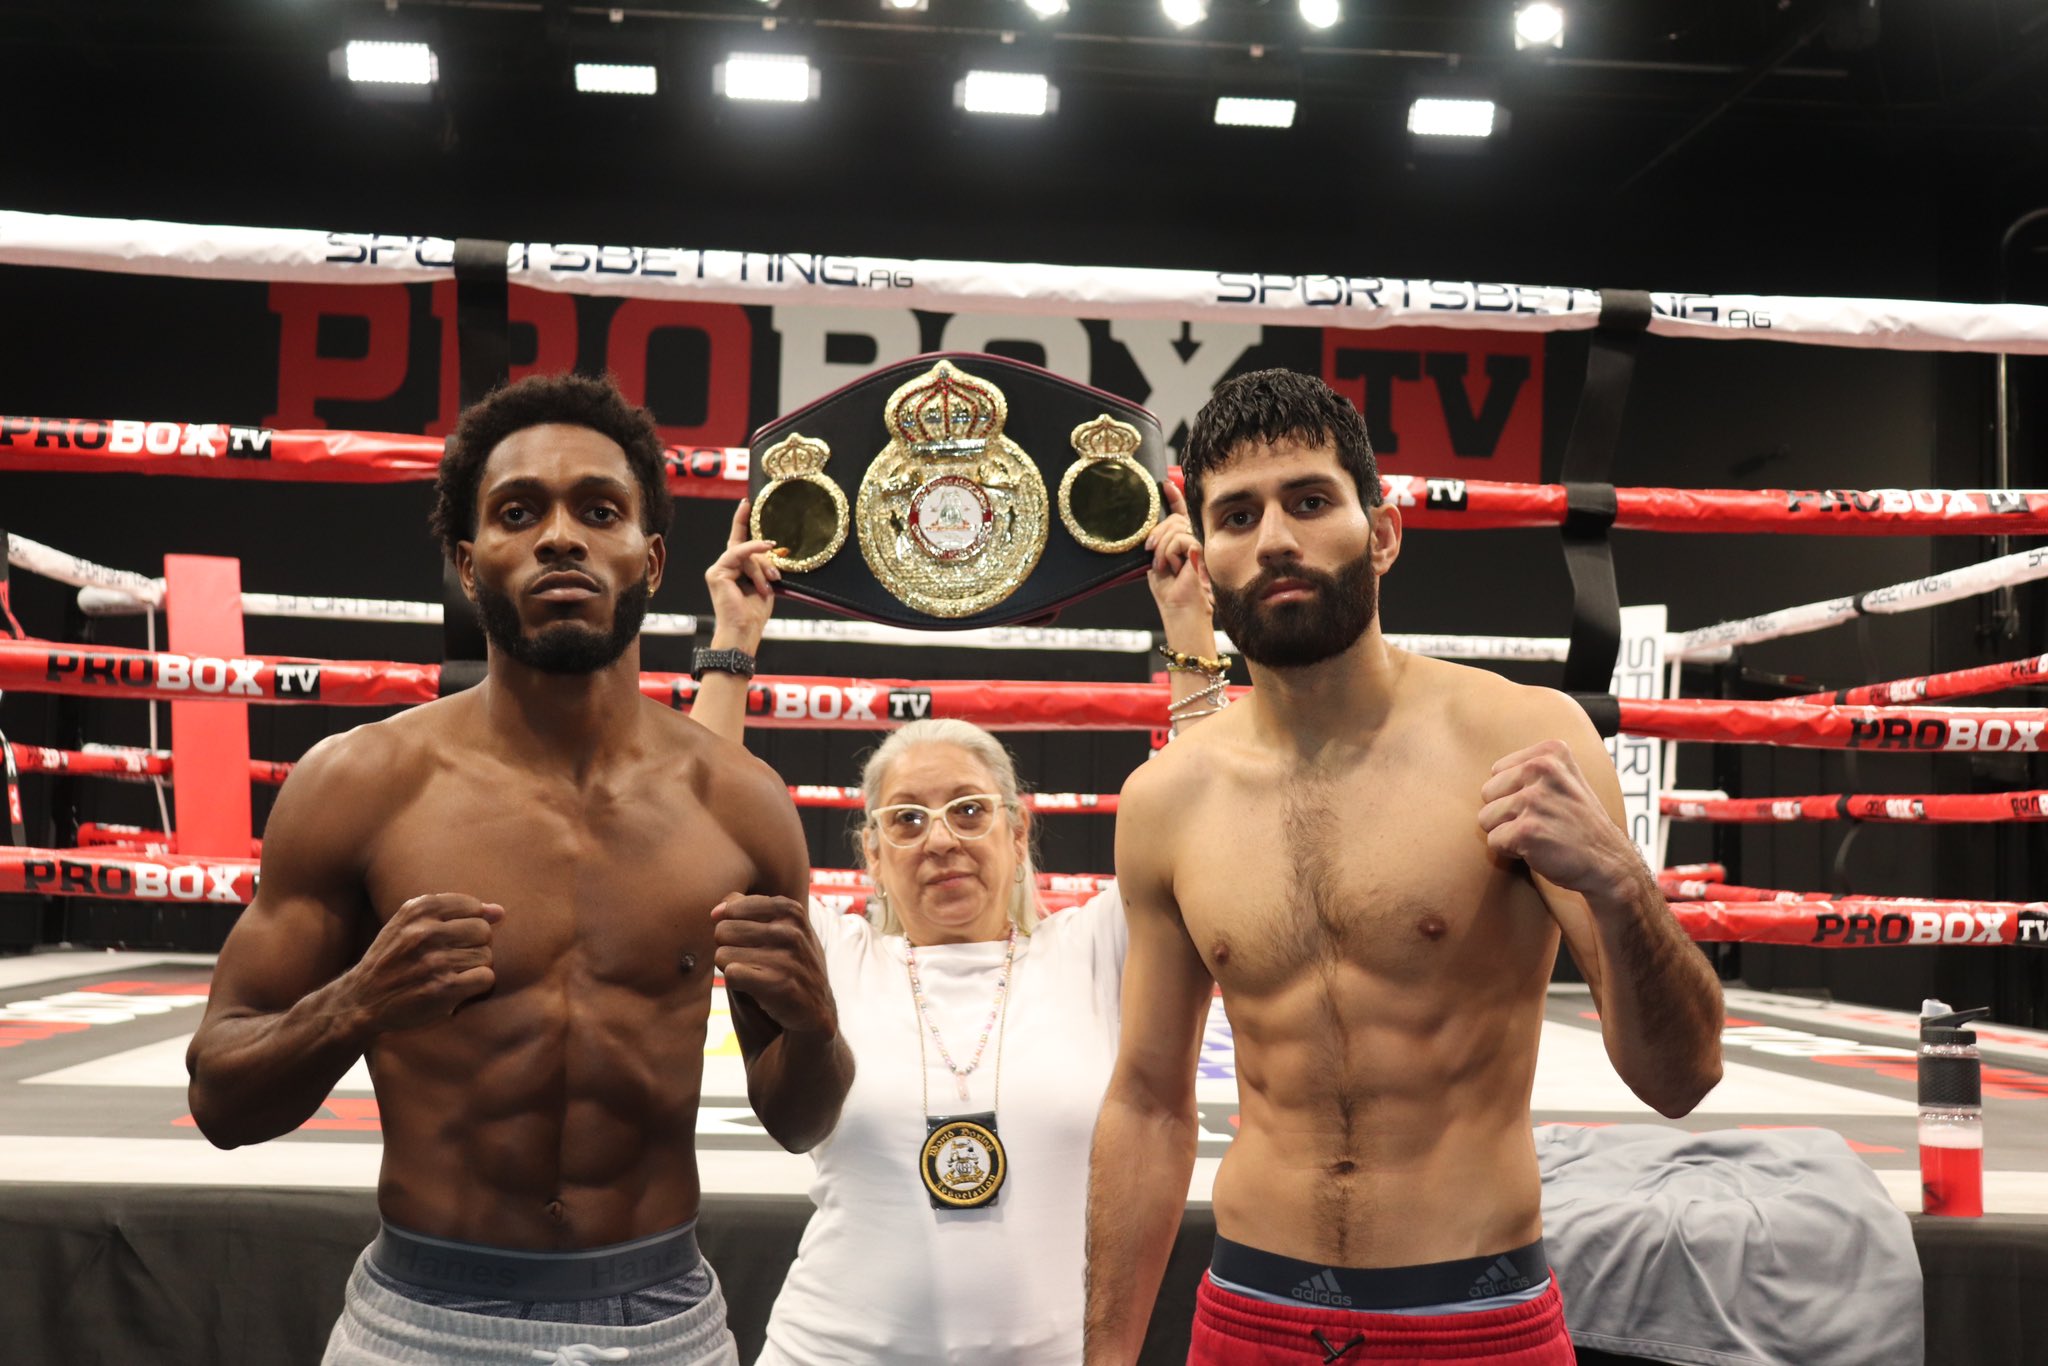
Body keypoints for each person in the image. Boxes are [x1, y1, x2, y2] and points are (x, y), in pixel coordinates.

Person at [185, 372, 854, 1366]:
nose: (560, 537)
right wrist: (354, 1004)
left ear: (650, 558)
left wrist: (815, 1027)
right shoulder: (361, 784)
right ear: (468, 563)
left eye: (599, 510)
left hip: (663, 1324)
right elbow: (220, 1101)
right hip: (422, 1323)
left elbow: (801, 1121)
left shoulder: (740, 805)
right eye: (517, 512)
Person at [1084, 369, 1726, 1366]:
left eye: (1309, 501)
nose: (1275, 539)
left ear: (1381, 533)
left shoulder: (1522, 739)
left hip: (1476, 1322)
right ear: (1203, 558)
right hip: (1249, 1317)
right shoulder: (1167, 799)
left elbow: (1679, 1079)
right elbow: (1148, 1101)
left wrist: (1618, 880)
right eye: (1238, 515)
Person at [687, 483, 1218, 1364]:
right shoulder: (835, 957)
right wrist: (733, 641)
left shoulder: (1092, 951)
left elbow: (1207, 815)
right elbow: (704, 829)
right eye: (907, 820)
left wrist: (1189, 621)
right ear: (872, 850)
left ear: (1018, 831)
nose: (940, 840)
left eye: (969, 811)